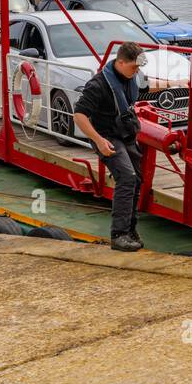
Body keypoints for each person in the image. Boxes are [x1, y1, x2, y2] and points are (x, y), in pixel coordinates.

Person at [72, 41, 173, 251]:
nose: (137, 71)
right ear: (120, 62)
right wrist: (98, 140)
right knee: (126, 177)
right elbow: (79, 115)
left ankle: (130, 229)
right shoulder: (98, 85)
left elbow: (148, 86)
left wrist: (180, 82)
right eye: (134, 67)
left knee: (137, 179)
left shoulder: (131, 76)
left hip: (125, 133)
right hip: (106, 136)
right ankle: (118, 235)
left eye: (138, 68)